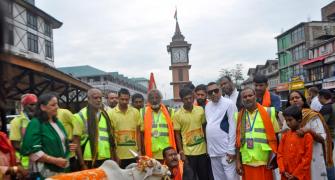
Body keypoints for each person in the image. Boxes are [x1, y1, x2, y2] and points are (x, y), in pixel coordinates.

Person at [21, 93, 76, 178]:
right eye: (53, 105)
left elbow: (54, 142)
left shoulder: (57, 122)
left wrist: (66, 146)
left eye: (57, 104)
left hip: (61, 169)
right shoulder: (35, 123)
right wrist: (55, 161)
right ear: (43, 107)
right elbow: (33, 152)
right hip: (44, 172)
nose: (57, 107)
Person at [286, 90, 333, 179]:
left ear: (303, 100)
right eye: (292, 99)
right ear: (289, 102)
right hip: (295, 160)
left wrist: (310, 131)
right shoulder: (287, 118)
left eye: (297, 97)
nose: (295, 100)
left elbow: (322, 138)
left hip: (312, 157)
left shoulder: (312, 116)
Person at [235, 87, 280, 180]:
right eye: (244, 97)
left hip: (265, 162)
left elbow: (276, 137)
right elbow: (237, 142)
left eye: (250, 95)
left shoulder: (269, 112)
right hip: (247, 162)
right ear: (242, 100)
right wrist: (238, 161)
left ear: (255, 96)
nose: (247, 98)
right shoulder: (238, 116)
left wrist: (276, 159)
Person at [73, 88, 117, 169]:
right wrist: (82, 164)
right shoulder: (80, 115)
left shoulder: (105, 115)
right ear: (88, 99)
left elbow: (110, 138)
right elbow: (76, 141)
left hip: (106, 157)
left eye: (100, 98)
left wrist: (113, 156)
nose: (99, 100)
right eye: (95, 98)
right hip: (89, 159)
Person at [173, 88, 211, 180]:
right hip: (188, 153)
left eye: (190, 98)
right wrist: (181, 151)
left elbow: (205, 128)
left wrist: (208, 146)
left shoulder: (200, 110)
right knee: (190, 177)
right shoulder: (177, 115)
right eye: (186, 99)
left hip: (202, 151)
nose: (189, 100)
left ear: (193, 97)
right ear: (182, 100)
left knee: (204, 176)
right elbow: (177, 134)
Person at [205, 82, 238, 180]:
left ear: (220, 90)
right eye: (210, 92)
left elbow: (233, 126)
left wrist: (231, 149)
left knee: (231, 177)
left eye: (216, 91)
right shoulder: (207, 106)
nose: (213, 94)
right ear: (208, 94)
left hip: (226, 151)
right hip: (213, 151)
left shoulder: (229, 104)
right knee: (218, 178)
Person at [277, 105, 313, 180]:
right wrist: (282, 170)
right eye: (286, 121)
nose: (288, 123)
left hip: (301, 176)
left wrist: (296, 175)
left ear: (299, 120)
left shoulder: (307, 136)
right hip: (286, 175)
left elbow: (307, 159)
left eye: (290, 120)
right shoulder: (285, 136)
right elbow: (280, 154)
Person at [140, 89, 176, 162]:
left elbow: (175, 132)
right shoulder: (143, 112)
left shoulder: (170, 111)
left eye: (157, 98)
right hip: (152, 151)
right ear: (148, 100)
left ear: (161, 99)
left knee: (168, 172)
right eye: (152, 98)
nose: (154, 100)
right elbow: (141, 133)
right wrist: (142, 149)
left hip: (167, 150)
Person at [110, 88, 142, 168]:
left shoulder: (135, 112)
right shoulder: (110, 113)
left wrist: (139, 150)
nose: (124, 101)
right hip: (119, 155)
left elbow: (138, 133)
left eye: (126, 99)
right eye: (122, 99)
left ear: (129, 99)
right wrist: (114, 154)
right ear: (118, 98)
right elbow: (111, 136)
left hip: (134, 154)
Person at [9, 93, 38, 169]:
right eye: (31, 105)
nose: (34, 107)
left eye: (36, 105)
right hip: (24, 165)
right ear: (24, 106)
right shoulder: (16, 122)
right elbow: (15, 145)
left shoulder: (39, 121)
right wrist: (35, 153)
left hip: (40, 162)